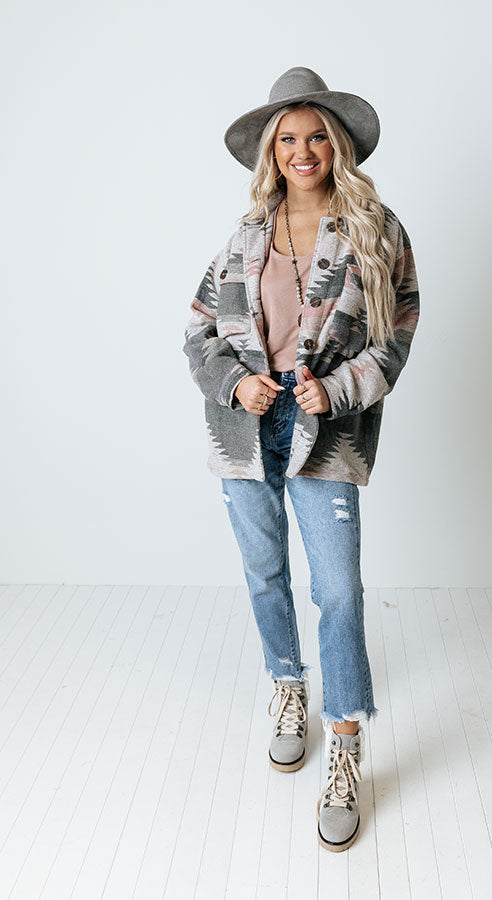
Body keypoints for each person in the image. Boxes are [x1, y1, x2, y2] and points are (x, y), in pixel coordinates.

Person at [183, 66, 420, 852]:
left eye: (317, 135)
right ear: (271, 151)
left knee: (339, 590)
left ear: (337, 144)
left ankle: (345, 741)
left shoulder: (375, 229)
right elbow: (198, 331)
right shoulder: (245, 236)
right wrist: (237, 382)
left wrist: (338, 389)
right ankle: (289, 686)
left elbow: (398, 332)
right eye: (288, 138)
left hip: (328, 430)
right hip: (243, 428)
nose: (303, 149)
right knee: (264, 572)